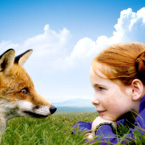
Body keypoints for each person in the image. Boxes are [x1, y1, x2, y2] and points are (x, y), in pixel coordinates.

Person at [72, 42, 145, 144]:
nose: (93, 101)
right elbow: (79, 125)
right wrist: (90, 135)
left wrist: (102, 128)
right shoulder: (130, 117)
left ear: (135, 90)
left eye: (101, 88)